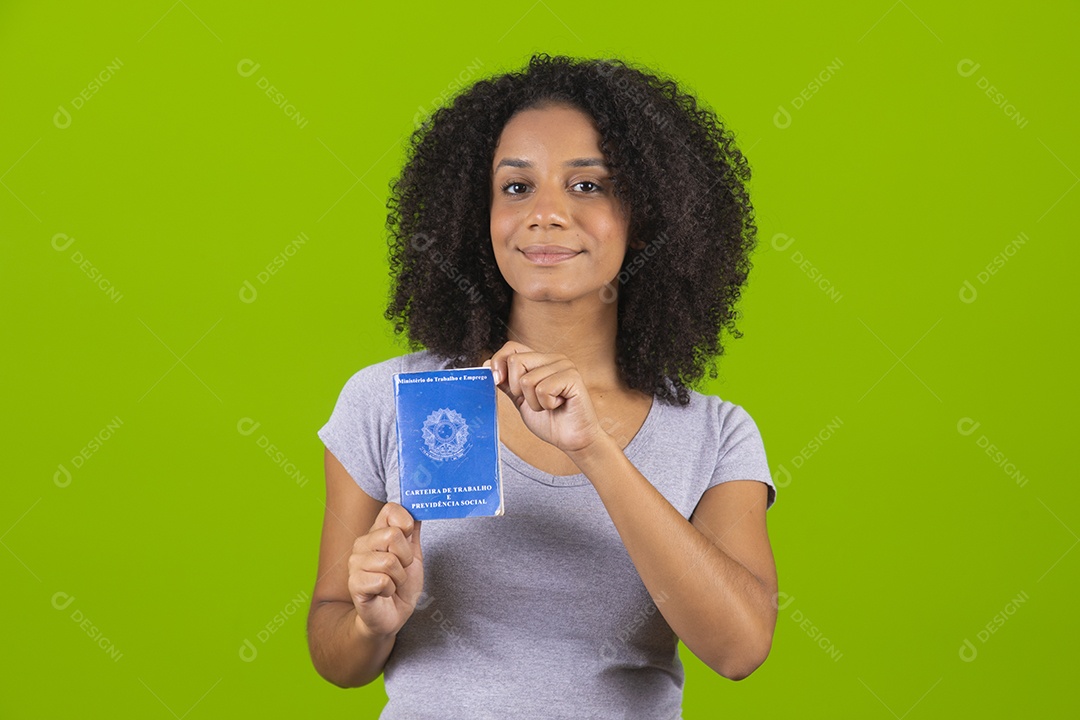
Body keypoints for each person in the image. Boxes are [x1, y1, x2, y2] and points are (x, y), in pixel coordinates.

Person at [308, 53, 778, 719]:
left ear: (646, 215)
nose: (547, 214)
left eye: (588, 186)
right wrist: (371, 622)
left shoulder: (715, 432)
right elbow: (334, 654)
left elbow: (740, 647)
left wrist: (595, 450)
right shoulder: (386, 401)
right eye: (517, 188)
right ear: (480, 214)